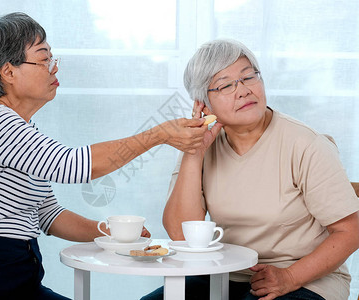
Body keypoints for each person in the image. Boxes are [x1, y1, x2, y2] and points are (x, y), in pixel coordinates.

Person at [0, 12, 210, 300]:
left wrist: (109, 232)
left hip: (19, 285)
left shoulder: (22, 130)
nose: (54, 68)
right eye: (44, 59)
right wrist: (158, 135)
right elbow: (72, 166)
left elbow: (49, 214)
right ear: (8, 72)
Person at [142, 39, 359, 300]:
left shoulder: (306, 144)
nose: (243, 90)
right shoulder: (201, 145)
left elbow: (350, 230)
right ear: (203, 104)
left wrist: (289, 277)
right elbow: (180, 234)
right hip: (226, 273)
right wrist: (194, 154)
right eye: (225, 85)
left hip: (304, 278)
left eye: (248, 77)